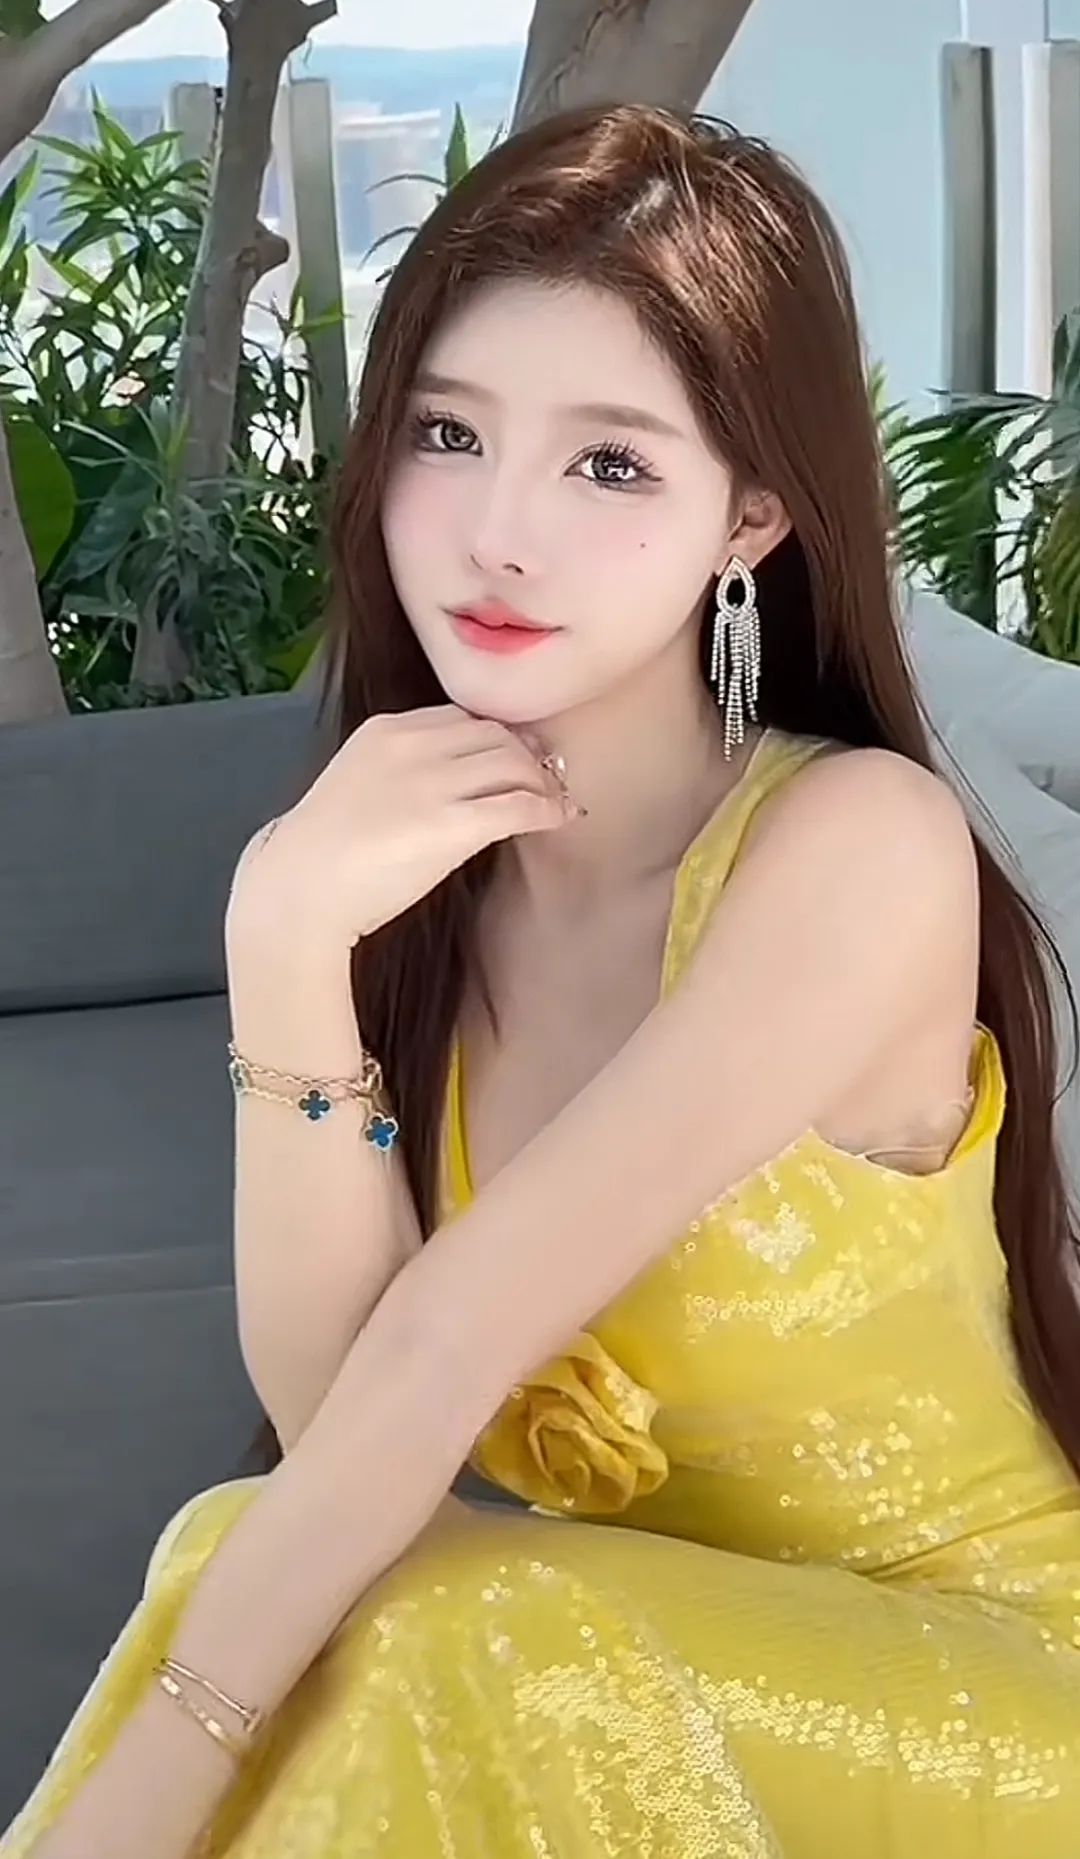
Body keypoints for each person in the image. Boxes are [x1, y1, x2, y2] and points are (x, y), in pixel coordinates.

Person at [4, 102, 1080, 1859]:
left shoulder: (859, 848)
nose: (500, 533)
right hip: (641, 1692)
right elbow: (337, 1419)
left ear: (749, 517)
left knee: (488, 1640)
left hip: (997, 1695)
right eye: (450, 433)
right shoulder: (433, 880)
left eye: (610, 466)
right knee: (246, 1546)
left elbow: (444, 1349)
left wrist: (148, 1794)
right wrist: (284, 947)